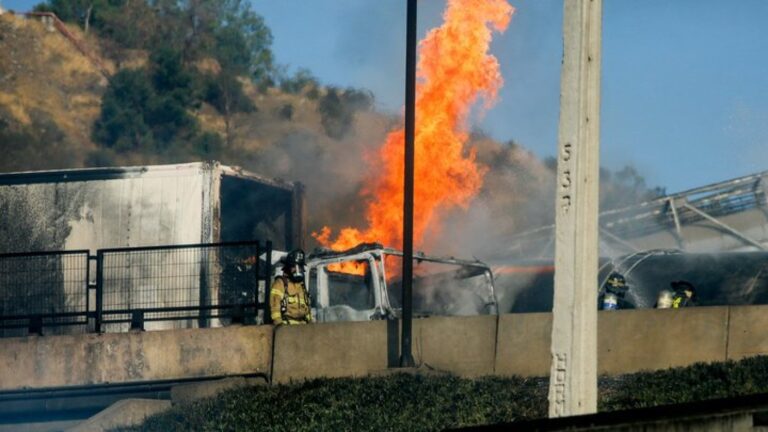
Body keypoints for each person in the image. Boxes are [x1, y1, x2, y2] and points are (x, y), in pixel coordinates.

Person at [270, 249, 312, 325]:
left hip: (302, 326)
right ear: (288, 268)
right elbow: (275, 307)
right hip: (287, 326)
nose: (297, 270)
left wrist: (311, 326)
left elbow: (307, 310)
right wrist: (279, 326)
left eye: (300, 267)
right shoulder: (280, 283)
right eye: (294, 267)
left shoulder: (302, 286)